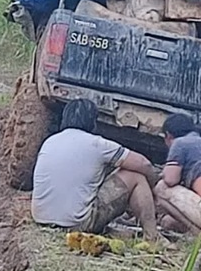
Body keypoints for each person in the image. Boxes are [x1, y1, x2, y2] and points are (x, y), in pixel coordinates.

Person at [31, 99, 161, 242]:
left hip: (41, 218)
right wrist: (153, 189)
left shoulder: (50, 141)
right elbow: (143, 164)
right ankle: (152, 237)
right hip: (77, 223)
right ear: (93, 122)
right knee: (135, 176)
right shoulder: (97, 144)